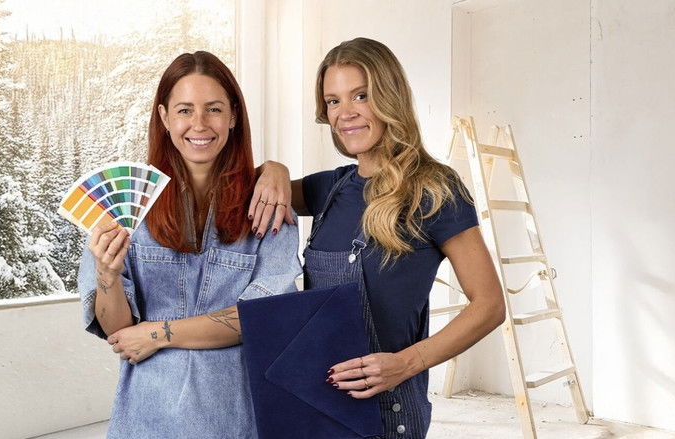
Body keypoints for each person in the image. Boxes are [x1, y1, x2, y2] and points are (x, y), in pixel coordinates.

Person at [251, 37, 505, 438]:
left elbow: (489, 305)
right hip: (318, 406)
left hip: (389, 414)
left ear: (390, 97)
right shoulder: (329, 188)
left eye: (361, 95)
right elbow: (252, 188)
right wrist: (274, 167)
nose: (345, 113)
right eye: (333, 101)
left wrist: (406, 363)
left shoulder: (434, 189)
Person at [77, 51, 301, 438]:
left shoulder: (268, 209)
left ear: (233, 116)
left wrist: (155, 333)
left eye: (213, 109)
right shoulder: (125, 207)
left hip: (237, 420)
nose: (199, 124)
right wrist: (107, 275)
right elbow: (118, 332)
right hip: (146, 420)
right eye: (185, 110)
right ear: (164, 118)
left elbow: (261, 318)